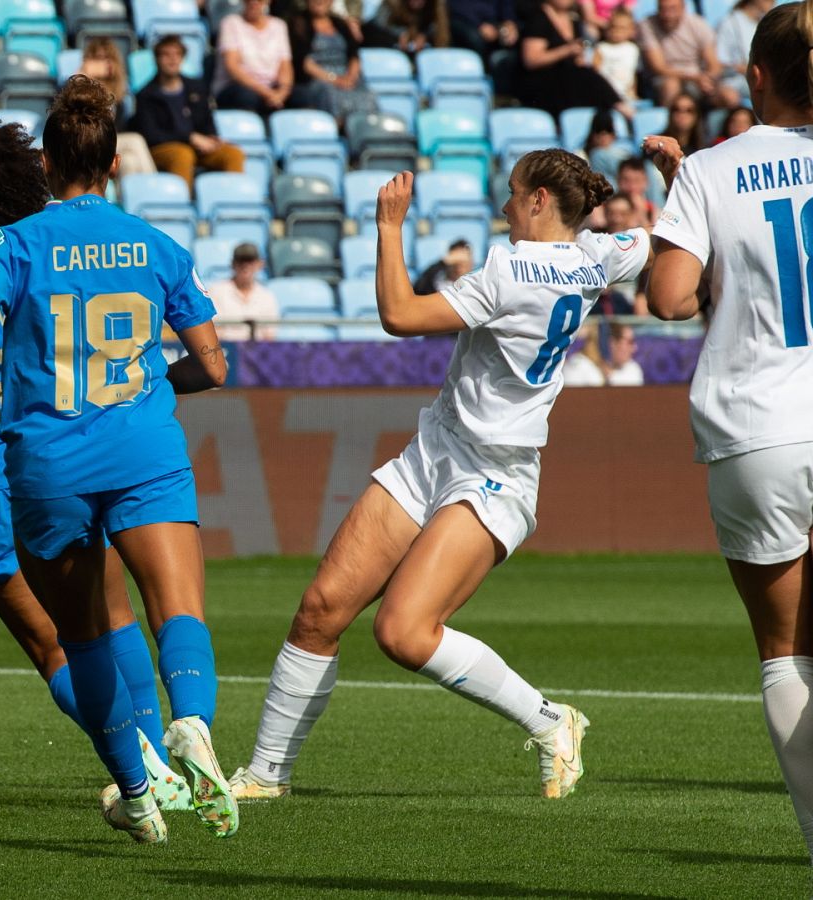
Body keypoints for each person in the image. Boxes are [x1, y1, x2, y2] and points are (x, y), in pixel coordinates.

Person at [233, 152, 650, 805]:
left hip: (495, 473)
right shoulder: (601, 253)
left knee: (402, 631)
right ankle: (265, 774)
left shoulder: (511, 268)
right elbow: (657, 244)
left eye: (513, 195)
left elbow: (399, 316)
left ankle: (550, 721)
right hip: (436, 449)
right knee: (320, 611)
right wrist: (682, 177)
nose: (505, 207)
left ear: (541, 200)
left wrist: (390, 227)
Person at [0, 75, 235, 845]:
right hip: (144, 448)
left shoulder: (12, 242)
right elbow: (212, 365)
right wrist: (149, 382)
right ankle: (195, 722)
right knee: (176, 608)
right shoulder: (157, 245)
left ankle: (139, 793)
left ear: (46, 163)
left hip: (47, 463)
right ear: (112, 165)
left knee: (85, 638)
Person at [0, 110, 192, 812]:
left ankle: (141, 775)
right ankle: (160, 765)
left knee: (55, 643)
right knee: (112, 612)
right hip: (73, 446)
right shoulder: (40, 253)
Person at [645, 2, 813, 869]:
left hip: (760, 427)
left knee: (787, 654)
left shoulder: (711, 169)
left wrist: (683, 195)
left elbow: (670, 297)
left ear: (755, 79)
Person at [134, 35, 245, 191]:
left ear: (182, 58)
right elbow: (151, 135)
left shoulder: (197, 87)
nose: (172, 59)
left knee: (233, 154)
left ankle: (234, 202)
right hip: (164, 148)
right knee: (183, 154)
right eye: (166, 55)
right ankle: (182, 206)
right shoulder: (146, 95)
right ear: (157, 59)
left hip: (198, 146)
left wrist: (212, 138)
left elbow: (207, 119)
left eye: (177, 54)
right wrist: (189, 138)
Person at [515, 0, 630, 119]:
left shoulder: (574, 20)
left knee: (585, 73)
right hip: (542, 83)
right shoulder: (538, 18)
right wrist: (566, 51)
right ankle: (618, 105)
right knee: (582, 76)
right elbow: (531, 60)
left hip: (567, 82)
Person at [289, 0, 379, 122]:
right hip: (316, 80)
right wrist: (334, 79)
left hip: (345, 77)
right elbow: (304, 63)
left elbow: (354, 56)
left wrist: (350, 77)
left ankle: (369, 127)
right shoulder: (298, 24)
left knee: (367, 94)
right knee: (329, 94)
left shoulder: (341, 24)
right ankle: (340, 127)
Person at [77, 37, 155, 177]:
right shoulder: (81, 88)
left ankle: (132, 197)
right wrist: (84, 75)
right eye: (98, 58)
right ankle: (155, 188)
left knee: (129, 162)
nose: (104, 63)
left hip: (109, 145)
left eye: (108, 58)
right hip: (85, 144)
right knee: (135, 141)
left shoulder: (121, 91)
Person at [640, 0, 738, 108]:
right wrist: (694, 78)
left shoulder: (698, 24)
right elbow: (658, 67)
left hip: (698, 78)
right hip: (667, 78)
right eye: (663, 9)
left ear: (683, 8)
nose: (667, 14)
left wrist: (708, 78)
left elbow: (714, 64)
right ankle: (670, 121)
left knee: (730, 96)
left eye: (672, 9)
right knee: (671, 86)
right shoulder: (648, 25)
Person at [214, 0, 295, 115]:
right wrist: (267, 93)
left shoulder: (279, 26)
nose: (253, 2)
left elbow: (285, 66)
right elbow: (233, 67)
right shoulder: (231, 23)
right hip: (237, 87)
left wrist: (283, 92)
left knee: (302, 97)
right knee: (248, 97)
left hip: (271, 87)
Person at [210, 242, 279, 340]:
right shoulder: (216, 292)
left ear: (260, 264)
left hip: (257, 351)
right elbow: (214, 333)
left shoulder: (267, 297)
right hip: (225, 351)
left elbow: (269, 337)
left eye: (250, 260)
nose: (245, 265)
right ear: (233, 264)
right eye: (240, 260)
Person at [716, 0, 771, 104]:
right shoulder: (730, 22)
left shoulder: (766, 24)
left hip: (762, 79)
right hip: (736, 81)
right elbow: (721, 62)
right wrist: (744, 68)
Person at [561, 321, 642, 386]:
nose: (634, 348)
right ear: (612, 343)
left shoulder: (632, 368)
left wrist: (610, 376)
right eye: (630, 342)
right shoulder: (578, 365)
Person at [363, 0, 450, 53]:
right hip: (387, 50)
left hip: (420, 58)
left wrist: (425, 36)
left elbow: (441, 35)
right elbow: (377, 26)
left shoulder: (435, 8)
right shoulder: (390, 4)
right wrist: (398, 35)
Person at [593, 8, 640, 105]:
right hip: (606, 94)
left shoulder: (633, 49)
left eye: (622, 28)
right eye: (613, 27)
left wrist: (634, 92)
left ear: (631, 30)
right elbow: (595, 71)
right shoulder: (602, 48)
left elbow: (633, 73)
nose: (617, 31)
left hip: (626, 94)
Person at [446, 0, 518, 62]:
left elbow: (507, 8)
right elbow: (457, 7)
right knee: (475, 39)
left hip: (496, 26)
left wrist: (509, 23)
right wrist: (479, 25)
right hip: (468, 23)